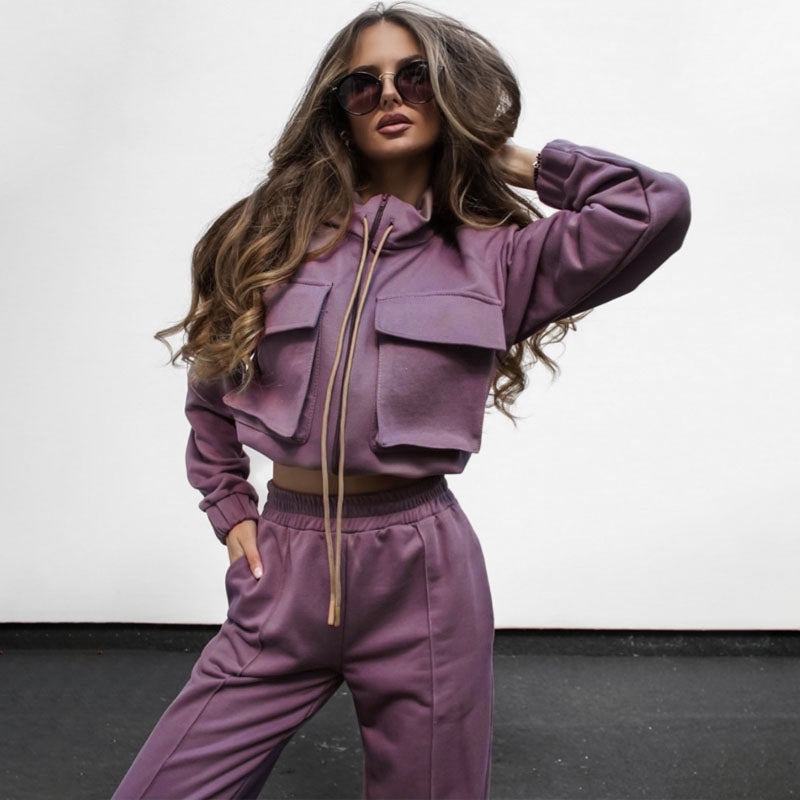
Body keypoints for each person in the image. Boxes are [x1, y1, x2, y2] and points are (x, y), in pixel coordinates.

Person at [112, 1, 691, 798]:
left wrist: (505, 154)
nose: (389, 94)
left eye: (415, 77)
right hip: (285, 563)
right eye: (364, 83)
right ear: (338, 108)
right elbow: (210, 386)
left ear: (446, 90)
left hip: (423, 573)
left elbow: (654, 206)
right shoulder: (266, 239)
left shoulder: (498, 259)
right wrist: (229, 505)